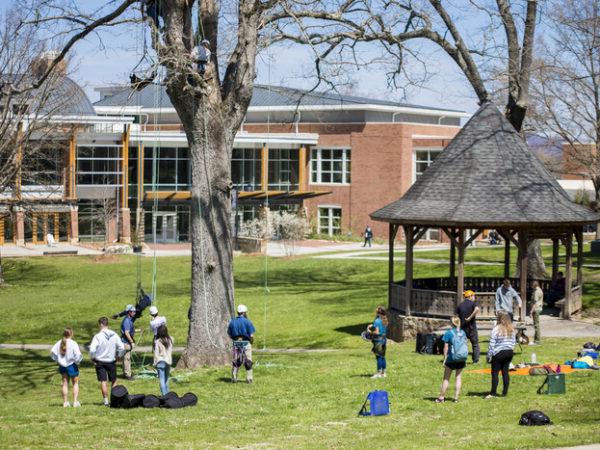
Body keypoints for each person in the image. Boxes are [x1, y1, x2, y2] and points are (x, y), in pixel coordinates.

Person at [89, 317, 125, 406]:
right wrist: (119, 356)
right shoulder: (114, 334)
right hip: (111, 361)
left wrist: (92, 358)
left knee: (103, 381)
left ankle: (105, 401)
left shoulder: (97, 336)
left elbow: (92, 350)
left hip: (100, 361)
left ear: (101, 324)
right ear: (107, 324)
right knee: (114, 380)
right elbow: (122, 347)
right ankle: (114, 399)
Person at [436, 316, 467, 403]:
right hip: (462, 357)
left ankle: (441, 398)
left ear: (451, 323)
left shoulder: (448, 333)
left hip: (451, 358)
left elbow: (445, 347)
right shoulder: (463, 332)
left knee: (446, 378)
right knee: (458, 377)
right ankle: (456, 398)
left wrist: (445, 358)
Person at [486, 311, 516, 398]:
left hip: (498, 353)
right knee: (505, 372)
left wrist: (489, 356)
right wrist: (510, 349)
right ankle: (504, 393)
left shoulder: (496, 329)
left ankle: (493, 392)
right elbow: (514, 342)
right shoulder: (511, 329)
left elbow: (491, 344)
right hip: (509, 352)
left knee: (495, 373)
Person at [50, 327, 83, 407]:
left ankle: (65, 402)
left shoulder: (58, 343)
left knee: (65, 383)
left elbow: (52, 354)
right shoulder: (73, 343)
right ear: (71, 334)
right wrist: (78, 362)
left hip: (62, 366)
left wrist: (58, 360)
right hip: (72, 365)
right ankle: (75, 402)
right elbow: (78, 355)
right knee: (75, 383)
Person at [227, 304, 256, 383]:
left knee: (236, 361)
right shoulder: (247, 322)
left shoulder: (232, 322)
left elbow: (229, 334)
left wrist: (235, 340)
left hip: (236, 343)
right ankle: (249, 378)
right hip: (246, 343)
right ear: (244, 313)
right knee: (248, 361)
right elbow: (251, 335)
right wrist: (252, 341)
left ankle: (234, 377)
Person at [456, 290, 480, 363]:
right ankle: (475, 361)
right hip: (472, 328)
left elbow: (456, 317)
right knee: (475, 344)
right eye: (473, 296)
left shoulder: (460, 305)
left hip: (463, 328)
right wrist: (470, 317)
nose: (474, 298)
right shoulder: (473, 303)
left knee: (463, 345)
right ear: (470, 296)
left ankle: (462, 359)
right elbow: (477, 309)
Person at [368, 306, 388, 378]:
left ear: (378, 313)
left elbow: (376, 332)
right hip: (384, 339)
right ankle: (384, 373)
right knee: (383, 356)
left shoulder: (377, 321)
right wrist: (372, 326)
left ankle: (378, 373)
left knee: (378, 357)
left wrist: (369, 331)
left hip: (378, 340)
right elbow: (381, 328)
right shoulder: (384, 319)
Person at [153, 324, 173, 395]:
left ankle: (164, 395)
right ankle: (168, 394)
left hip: (160, 361)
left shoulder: (158, 341)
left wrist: (155, 363)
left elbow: (156, 353)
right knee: (166, 379)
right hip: (168, 361)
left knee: (161, 380)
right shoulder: (171, 339)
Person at [120, 305, 137, 380]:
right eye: (133, 311)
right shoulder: (126, 320)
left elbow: (130, 330)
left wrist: (139, 330)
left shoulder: (129, 319)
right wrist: (132, 341)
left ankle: (126, 373)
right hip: (126, 342)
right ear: (129, 312)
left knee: (126, 358)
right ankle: (127, 375)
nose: (134, 312)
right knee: (127, 358)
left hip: (126, 342)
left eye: (134, 311)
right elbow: (127, 333)